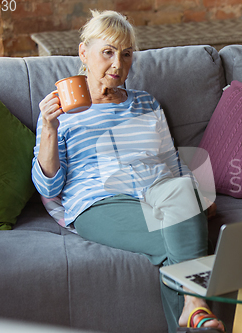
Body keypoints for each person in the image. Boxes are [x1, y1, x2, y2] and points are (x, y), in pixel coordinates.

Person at [31, 10, 224, 333]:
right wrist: (50, 128)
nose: (118, 64)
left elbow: (172, 161)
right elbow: (48, 186)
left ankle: (193, 308)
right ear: (83, 53)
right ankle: (195, 305)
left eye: (126, 54)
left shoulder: (146, 103)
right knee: (180, 237)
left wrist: (199, 194)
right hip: (99, 201)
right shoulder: (61, 112)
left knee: (181, 191)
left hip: (160, 191)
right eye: (107, 52)